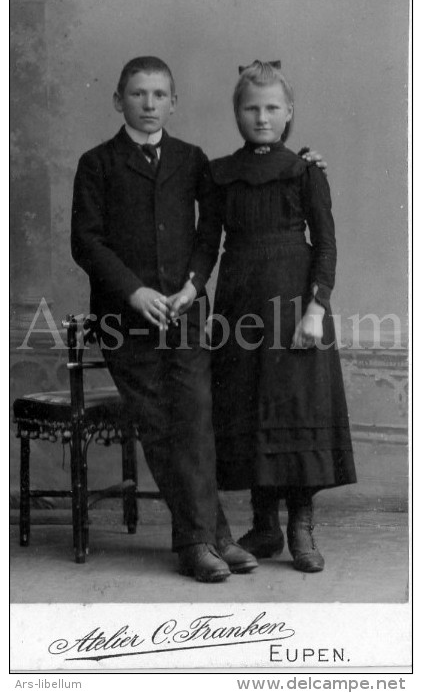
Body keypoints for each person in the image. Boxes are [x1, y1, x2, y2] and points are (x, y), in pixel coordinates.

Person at [71, 55, 326, 583]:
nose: (148, 104)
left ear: (173, 102)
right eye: (137, 94)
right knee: (162, 425)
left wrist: (191, 287)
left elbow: (210, 234)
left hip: (187, 313)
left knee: (196, 422)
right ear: (118, 100)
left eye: (159, 95)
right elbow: (86, 241)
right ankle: (200, 542)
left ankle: (212, 536)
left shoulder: (193, 160)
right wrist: (135, 291)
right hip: (127, 321)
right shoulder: (97, 163)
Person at [186, 60, 357, 574]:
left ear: (289, 113)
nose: (262, 117)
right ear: (237, 113)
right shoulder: (218, 173)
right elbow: (206, 245)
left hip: (294, 303)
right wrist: (192, 288)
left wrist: (315, 308)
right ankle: (264, 525)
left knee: (297, 405)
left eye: (272, 108)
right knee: (252, 404)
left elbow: (326, 246)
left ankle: (301, 523)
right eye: (251, 108)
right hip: (239, 303)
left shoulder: (305, 171)